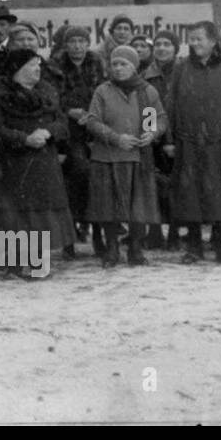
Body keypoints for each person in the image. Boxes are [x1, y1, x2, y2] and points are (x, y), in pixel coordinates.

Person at [163, 21, 221, 264]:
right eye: (191, 39)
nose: (194, 43)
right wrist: (169, 139)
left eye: (199, 38)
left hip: (218, 143)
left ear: (213, 42)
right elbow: (170, 105)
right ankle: (193, 248)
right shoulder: (181, 68)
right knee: (190, 194)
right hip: (187, 142)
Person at [0, 48, 73, 278]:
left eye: (39, 65)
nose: (38, 70)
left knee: (41, 214)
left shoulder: (48, 90)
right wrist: (24, 139)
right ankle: (14, 263)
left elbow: (62, 122)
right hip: (13, 162)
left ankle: (37, 262)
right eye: (33, 65)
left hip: (44, 162)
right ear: (18, 69)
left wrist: (48, 131)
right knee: (16, 214)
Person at [82, 46, 168, 268]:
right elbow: (93, 121)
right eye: (115, 64)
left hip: (137, 157)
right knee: (108, 205)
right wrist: (116, 138)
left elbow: (154, 120)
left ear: (134, 67)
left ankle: (135, 249)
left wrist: (151, 133)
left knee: (138, 206)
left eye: (124, 64)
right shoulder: (103, 91)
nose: (118, 69)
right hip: (108, 157)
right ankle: (112, 248)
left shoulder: (146, 91)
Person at [54, 25, 107, 257]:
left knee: (97, 179)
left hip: (93, 129)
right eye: (72, 41)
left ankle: (98, 234)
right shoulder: (56, 65)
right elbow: (53, 96)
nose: (77, 46)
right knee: (76, 176)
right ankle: (70, 238)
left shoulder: (95, 62)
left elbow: (103, 91)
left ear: (88, 43)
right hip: (68, 132)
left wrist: (92, 113)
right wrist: (70, 111)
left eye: (81, 41)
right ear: (65, 45)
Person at [140, 30, 181, 251]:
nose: (162, 48)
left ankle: (175, 232)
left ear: (175, 49)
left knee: (178, 187)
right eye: (158, 44)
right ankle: (154, 232)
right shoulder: (146, 75)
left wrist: (172, 139)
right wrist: (155, 137)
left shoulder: (184, 72)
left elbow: (183, 109)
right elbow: (146, 109)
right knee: (153, 187)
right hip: (155, 139)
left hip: (180, 137)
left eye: (167, 44)